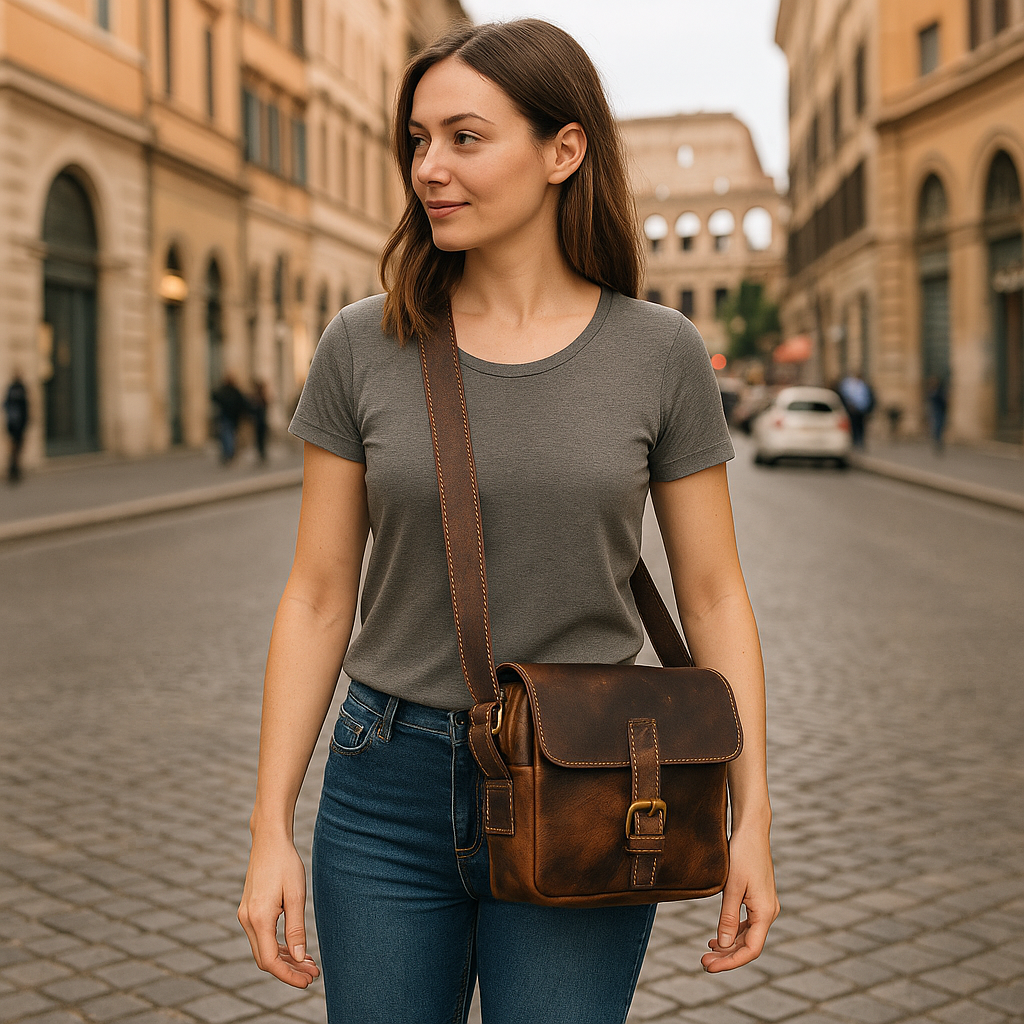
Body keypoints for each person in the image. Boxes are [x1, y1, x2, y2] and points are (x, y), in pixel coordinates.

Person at [237, 20, 778, 1024]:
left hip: (590, 774)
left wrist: (753, 816)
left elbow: (713, 595)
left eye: (464, 138)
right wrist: (269, 824)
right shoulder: (362, 344)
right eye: (416, 140)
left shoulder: (659, 352)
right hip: (384, 783)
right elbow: (317, 596)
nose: (428, 168)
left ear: (562, 151)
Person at [211, 374, 248, 463]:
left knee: (226, 436)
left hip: (227, 417)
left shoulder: (225, 391)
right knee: (229, 436)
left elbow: (215, 397)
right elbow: (243, 403)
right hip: (232, 417)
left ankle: (228, 454)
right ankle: (229, 454)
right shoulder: (235, 391)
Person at [838, 370, 875, 449]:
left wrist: (868, 409)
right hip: (853, 409)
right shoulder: (850, 386)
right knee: (854, 426)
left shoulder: (863, 386)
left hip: (861, 409)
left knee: (861, 426)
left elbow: (869, 397)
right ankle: (856, 441)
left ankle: (860, 441)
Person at [4, 371, 28, 484]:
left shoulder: (14, 389)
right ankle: (14, 469)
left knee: (16, 446)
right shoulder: (19, 389)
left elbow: (5, 404)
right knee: (16, 446)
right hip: (16, 423)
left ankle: (14, 469)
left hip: (14, 423)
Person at [926, 375, 948, 453]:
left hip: (939, 411)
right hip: (935, 411)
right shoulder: (932, 391)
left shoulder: (938, 391)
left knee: (939, 425)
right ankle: (937, 440)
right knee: (937, 426)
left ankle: (938, 440)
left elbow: (943, 401)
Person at [249, 379, 269, 463]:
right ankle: (261, 454)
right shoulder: (260, 398)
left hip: (260, 422)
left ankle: (262, 454)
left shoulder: (259, 398)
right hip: (260, 422)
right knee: (260, 440)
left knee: (260, 439)